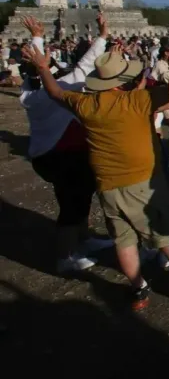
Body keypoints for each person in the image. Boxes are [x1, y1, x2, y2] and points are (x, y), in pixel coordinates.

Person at [24, 39, 169, 311]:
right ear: (124, 82)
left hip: (107, 183)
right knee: (164, 230)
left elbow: (54, 93)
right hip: (143, 181)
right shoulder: (137, 100)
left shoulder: (86, 104)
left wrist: (43, 69)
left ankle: (138, 287)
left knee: (123, 238)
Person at [19, 14, 114, 273]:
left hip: (49, 155)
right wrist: (103, 36)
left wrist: (37, 36)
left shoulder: (28, 95)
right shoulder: (60, 87)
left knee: (76, 200)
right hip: (66, 156)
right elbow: (84, 66)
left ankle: (83, 240)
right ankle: (66, 256)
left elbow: (41, 68)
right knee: (72, 207)